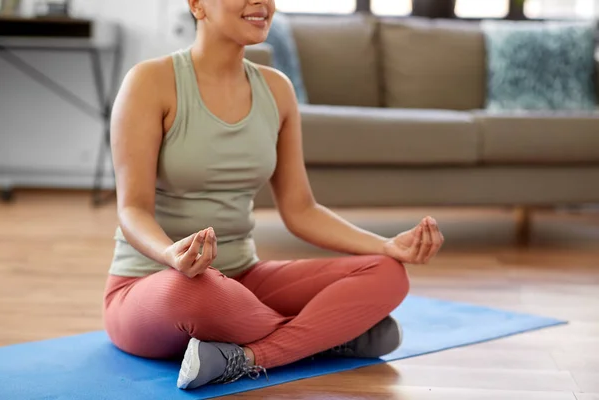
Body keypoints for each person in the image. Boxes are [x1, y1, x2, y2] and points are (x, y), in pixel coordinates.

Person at [103, 0, 445, 391]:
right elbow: (132, 209)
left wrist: (387, 245)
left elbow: (301, 209)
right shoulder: (150, 81)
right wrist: (170, 255)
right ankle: (335, 337)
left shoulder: (277, 89)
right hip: (155, 284)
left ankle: (250, 357)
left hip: (244, 280)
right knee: (195, 292)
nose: (261, 2)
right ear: (197, 4)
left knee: (387, 273)